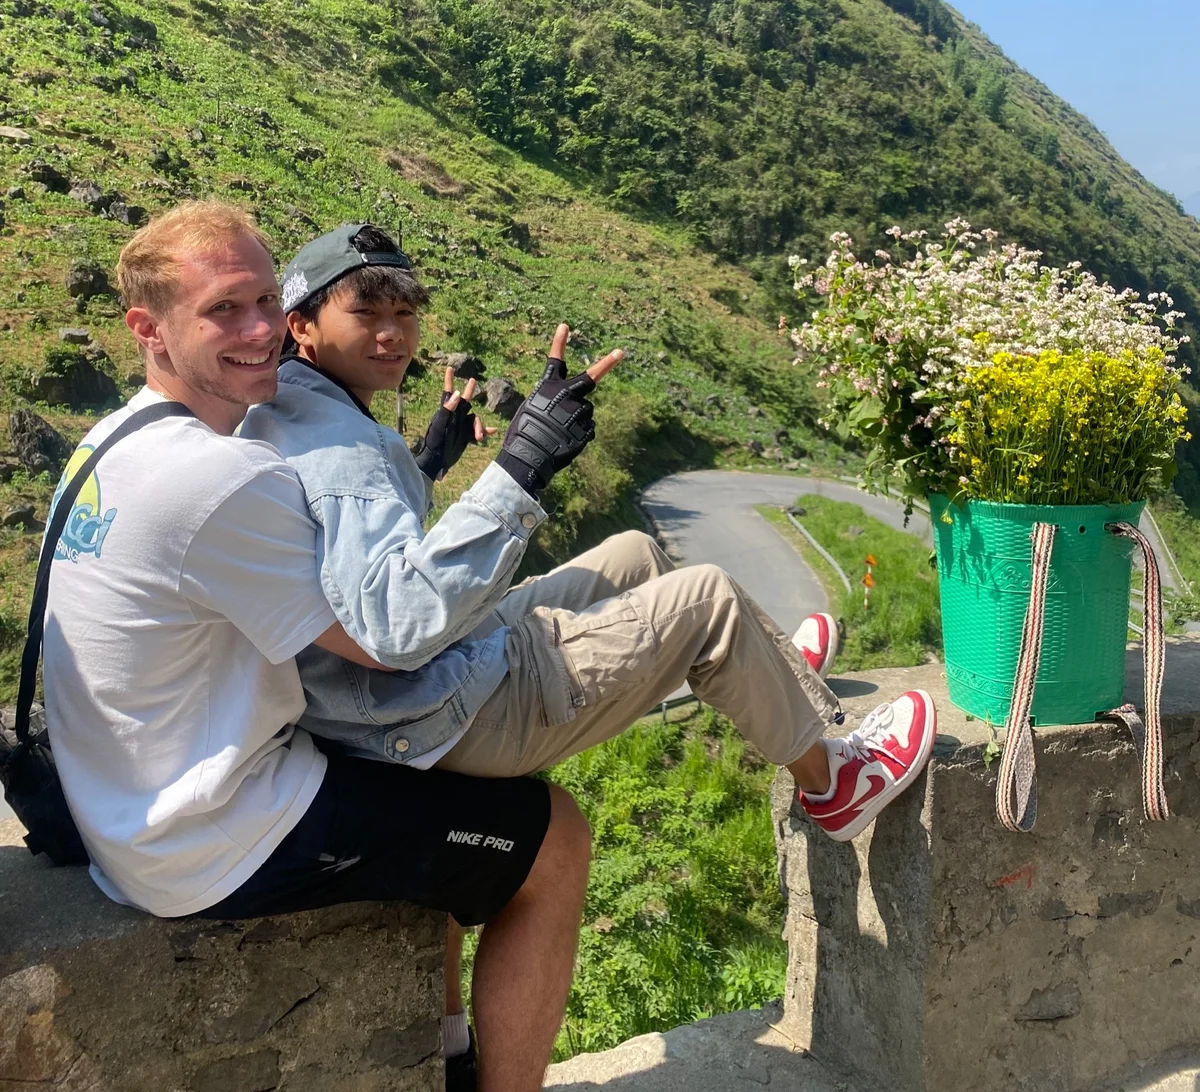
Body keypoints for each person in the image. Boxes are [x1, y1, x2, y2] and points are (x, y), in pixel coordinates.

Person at [42, 203, 935, 1092]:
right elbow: (392, 631)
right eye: (229, 310)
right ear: (151, 329)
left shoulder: (142, 436)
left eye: (264, 302)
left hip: (148, 792)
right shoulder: (227, 466)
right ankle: (836, 783)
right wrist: (519, 468)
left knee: (634, 556)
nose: (259, 330)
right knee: (670, 657)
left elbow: (342, 534)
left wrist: (421, 469)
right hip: (259, 799)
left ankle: (762, 683)